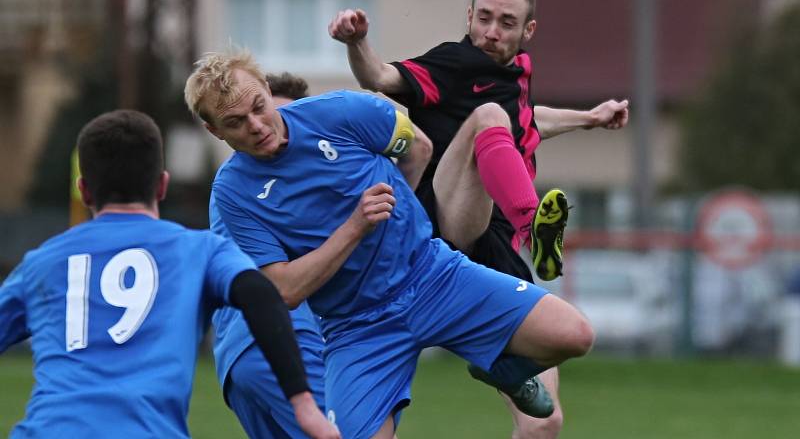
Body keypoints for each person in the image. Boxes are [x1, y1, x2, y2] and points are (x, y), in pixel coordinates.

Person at [184, 52, 594, 439]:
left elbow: (418, 146)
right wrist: (356, 227)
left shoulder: (343, 111)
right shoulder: (232, 193)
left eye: (258, 106)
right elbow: (285, 290)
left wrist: (400, 216)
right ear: (214, 130)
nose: (255, 125)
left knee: (573, 335)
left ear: (264, 87)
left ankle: (503, 367)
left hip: (432, 275)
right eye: (235, 122)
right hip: (357, 325)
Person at [328, 0, 629, 438]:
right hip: (444, 227)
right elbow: (381, 76)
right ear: (469, 16)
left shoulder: (515, 75)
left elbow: (526, 122)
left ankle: (503, 357)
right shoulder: (453, 63)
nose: (491, 31)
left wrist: (590, 117)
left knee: (543, 421)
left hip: (493, 246)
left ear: (527, 31)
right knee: (488, 118)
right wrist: (356, 42)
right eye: (484, 17)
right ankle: (536, 228)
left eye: (506, 23)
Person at [0, 109, 339, 439]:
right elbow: (261, 294)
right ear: (162, 185)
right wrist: (303, 404)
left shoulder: (41, 263)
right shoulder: (199, 250)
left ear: (84, 190)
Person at [211, 71, 326, 439]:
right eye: (243, 121)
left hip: (235, 360)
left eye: (278, 119)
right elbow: (287, 288)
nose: (263, 129)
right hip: (285, 340)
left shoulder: (229, 187)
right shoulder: (240, 189)